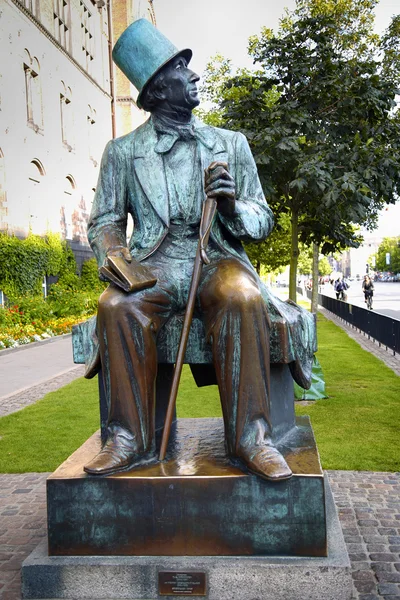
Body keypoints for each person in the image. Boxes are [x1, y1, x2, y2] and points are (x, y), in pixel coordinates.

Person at [83, 19, 316, 482]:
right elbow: (105, 222)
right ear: (154, 91)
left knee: (241, 297)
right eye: (179, 68)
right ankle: (128, 439)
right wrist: (117, 259)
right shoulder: (123, 152)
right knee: (117, 306)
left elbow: (262, 219)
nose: (193, 75)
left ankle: (252, 440)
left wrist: (230, 205)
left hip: (218, 258)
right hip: (155, 263)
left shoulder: (231, 144)